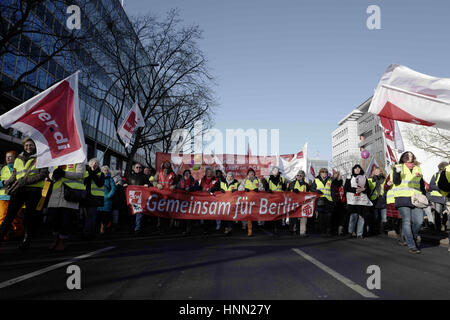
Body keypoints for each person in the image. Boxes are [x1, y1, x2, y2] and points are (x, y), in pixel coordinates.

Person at [0, 138, 49, 249]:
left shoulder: (41, 158)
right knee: (9, 215)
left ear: (35, 146)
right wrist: (10, 182)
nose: (28, 147)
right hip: (19, 190)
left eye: (30, 145)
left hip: (34, 191)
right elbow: (14, 174)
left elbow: (43, 174)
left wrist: (25, 181)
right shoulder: (18, 159)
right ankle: (1, 236)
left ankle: (26, 241)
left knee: (29, 216)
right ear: (24, 146)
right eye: (26, 145)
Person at [393, 151, 426, 254]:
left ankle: (412, 237)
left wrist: (424, 196)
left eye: (411, 155)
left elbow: (420, 184)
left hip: (416, 198)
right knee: (406, 221)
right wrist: (397, 172)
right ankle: (412, 245)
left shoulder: (417, 168)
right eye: (406, 155)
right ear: (403, 158)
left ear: (413, 157)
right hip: (402, 198)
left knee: (419, 221)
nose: (409, 157)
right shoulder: (398, 167)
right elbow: (396, 181)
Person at [47, 163, 85, 251]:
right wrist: (53, 175)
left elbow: (80, 174)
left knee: (65, 220)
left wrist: (64, 173)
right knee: (54, 219)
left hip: (69, 194)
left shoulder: (78, 160)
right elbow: (51, 175)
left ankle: (62, 241)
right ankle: (56, 239)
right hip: (56, 195)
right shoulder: (57, 160)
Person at [0, 151, 23, 241]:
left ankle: (18, 233)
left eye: (10, 157)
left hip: (16, 196)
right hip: (3, 197)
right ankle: (3, 236)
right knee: (2, 217)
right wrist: (3, 183)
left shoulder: (20, 168)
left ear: (15, 158)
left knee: (16, 218)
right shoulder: (2, 168)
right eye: (7, 157)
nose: (8, 158)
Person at [345, 165, 372, 239]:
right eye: (355, 168)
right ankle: (350, 232)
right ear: (353, 170)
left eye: (358, 168)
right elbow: (346, 188)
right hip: (353, 200)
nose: (357, 169)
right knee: (353, 216)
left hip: (362, 200)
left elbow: (368, 189)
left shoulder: (364, 178)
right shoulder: (349, 177)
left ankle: (359, 233)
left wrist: (364, 189)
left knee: (361, 217)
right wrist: (356, 190)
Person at [82, 158, 105, 240]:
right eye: (93, 163)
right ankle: (88, 231)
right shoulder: (85, 172)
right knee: (85, 216)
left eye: (97, 163)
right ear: (90, 164)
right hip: (85, 197)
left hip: (95, 198)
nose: (95, 165)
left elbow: (99, 184)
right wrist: (90, 173)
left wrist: (92, 174)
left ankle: (88, 233)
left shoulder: (101, 174)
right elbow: (84, 182)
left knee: (92, 215)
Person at [124, 163, 149, 235]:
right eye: (137, 167)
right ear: (134, 168)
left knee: (139, 214)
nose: (138, 169)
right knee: (132, 214)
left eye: (140, 167)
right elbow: (125, 182)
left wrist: (147, 185)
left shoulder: (144, 177)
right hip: (131, 198)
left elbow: (149, 185)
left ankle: (137, 229)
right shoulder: (129, 176)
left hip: (140, 198)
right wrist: (124, 184)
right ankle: (132, 228)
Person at [153, 161, 176, 233]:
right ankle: (160, 226)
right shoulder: (159, 172)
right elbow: (153, 180)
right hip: (160, 194)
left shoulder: (173, 173)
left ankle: (168, 227)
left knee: (168, 210)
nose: (167, 165)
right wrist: (157, 185)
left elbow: (176, 182)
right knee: (160, 210)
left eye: (168, 164)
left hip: (169, 195)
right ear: (163, 165)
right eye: (166, 164)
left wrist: (174, 186)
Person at [311, 168, 333, 237]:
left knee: (328, 217)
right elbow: (312, 189)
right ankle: (322, 231)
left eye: (326, 172)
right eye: (323, 172)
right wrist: (316, 191)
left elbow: (332, 191)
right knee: (321, 217)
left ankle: (328, 231)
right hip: (320, 200)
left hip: (329, 200)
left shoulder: (330, 180)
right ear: (320, 173)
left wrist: (334, 200)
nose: (324, 173)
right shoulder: (316, 180)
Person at [288, 170, 310, 237]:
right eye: (298, 175)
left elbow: (309, 193)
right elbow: (288, 191)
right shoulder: (292, 183)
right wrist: (293, 191)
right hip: (294, 202)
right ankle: (292, 230)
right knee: (293, 217)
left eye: (300, 175)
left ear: (303, 176)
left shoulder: (306, 185)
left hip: (303, 203)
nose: (299, 176)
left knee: (303, 217)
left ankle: (302, 231)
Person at [239, 168, 260, 236]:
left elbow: (262, 188)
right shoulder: (244, 180)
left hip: (256, 201)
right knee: (248, 215)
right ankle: (249, 231)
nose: (251, 174)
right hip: (247, 200)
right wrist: (244, 189)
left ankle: (256, 228)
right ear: (248, 174)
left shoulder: (258, 180)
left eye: (252, 173)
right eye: (250, 173)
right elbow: (239, 189)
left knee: (255, 214)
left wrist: (258, 189)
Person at [177, 169, 199, 236]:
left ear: (190, 174)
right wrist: (183, 189)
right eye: (185, 173)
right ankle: (183, 229)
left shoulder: (194, 181)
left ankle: (188, 230)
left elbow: (197, 187)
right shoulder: (180, 181)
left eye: (188, 173)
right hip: (182, 201)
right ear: (183, 175)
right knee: (183, 216)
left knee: (189, 217)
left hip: (190, 201)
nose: (187, 174)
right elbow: (177, 188)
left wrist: (190, 188)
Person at [429, 162, 448, 233]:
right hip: (437, 197)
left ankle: (444, 225)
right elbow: (431, 186)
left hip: (446, 197)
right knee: (438, 212)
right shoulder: (436, 175)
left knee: (446, 213)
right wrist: (440, 188)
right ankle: (438, 228)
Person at [267, 166, 286, 236]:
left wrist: (283, 186)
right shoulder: (269, 179)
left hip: (279, 199)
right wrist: (268, 190)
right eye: (274, 171)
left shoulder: (282, 179)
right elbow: (266, 187)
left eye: (277, 171)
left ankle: (277, 228)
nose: (275, 172)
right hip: (271, 199)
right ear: (272, 172)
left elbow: (284, 188)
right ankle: (272, 227)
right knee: (272, 213)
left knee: (279, 213)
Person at [199, 167, 219, 233]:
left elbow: (217, 187)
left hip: (212, 198)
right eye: (207, 172)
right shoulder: (203, 179)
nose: (209, 173)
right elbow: (200, 187)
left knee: (211, 213)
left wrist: (211, 190)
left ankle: (211, 226)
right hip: (204, 198)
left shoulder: (215, 179)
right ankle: (205, 228)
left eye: (210, 172)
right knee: (205, 213)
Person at [368, 167, 387, 235]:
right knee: (375, 217)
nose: (376, 172)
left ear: (381, 172)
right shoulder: (370, 180)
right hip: (374, 201)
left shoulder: (384, 180)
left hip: (383, 200)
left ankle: (382, 231)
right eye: (375, 171)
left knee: (384, 218)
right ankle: (374, 230)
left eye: (378, 171)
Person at [98, 166, 116, 235]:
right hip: (98, 199)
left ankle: (102, 230)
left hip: (107, 200)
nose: (105, 171)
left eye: (106, 170)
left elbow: (113, 188)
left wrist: (108, 196)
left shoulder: (110, 179)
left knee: (105, 216)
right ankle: (99, 230)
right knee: (98, 215)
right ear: (101, 171)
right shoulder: (98, 177)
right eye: (104, 170)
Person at [220, 171, 239, 236]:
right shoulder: (222, 182)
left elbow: (239, 190)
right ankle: (226, 229)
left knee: (230, 215)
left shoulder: (235, 182)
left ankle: (230, 228)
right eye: (228, 176)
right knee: (224, 215)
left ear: (233, 177)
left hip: (231, 201)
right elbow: (218, 188)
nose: (230, 177)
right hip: (223, 201)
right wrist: (220, 190)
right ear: (226, 176)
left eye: (231, 176)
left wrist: (236, 190)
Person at [330, 171, 346, 236]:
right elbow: (333, 193)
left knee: (342, 217)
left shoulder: (342, 183)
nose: (341, 176)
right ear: (336, 176)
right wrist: (335, 200)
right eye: (340, 175)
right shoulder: (333, 183)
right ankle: (334, 231)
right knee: (335, 217)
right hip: (335, 202)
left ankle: (340, 231)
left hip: (342, 203)